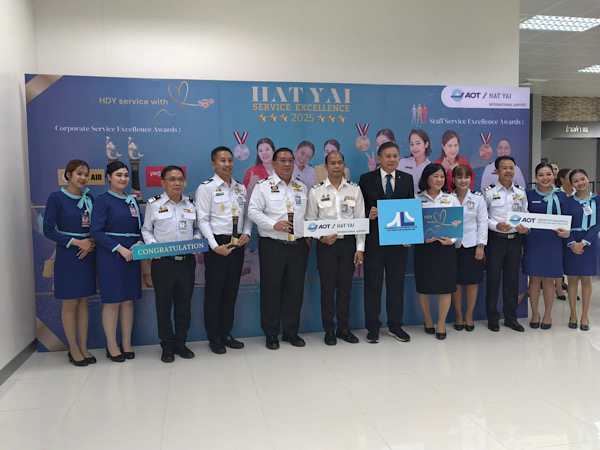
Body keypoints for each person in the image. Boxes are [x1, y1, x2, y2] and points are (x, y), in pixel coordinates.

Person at [248, 147, 310, 349]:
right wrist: (273, 224)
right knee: (271, 291)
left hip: (298, 246)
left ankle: (291, 332)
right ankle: (271, 333)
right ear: (273, 164)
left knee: (295, 291)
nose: (287, 164)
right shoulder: (263, 186)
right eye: (282, 160)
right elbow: (253, 211)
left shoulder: (301, 187)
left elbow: (307, 215)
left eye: (290, 160)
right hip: (273, 245)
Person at [196, 147, 252, 354]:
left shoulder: (240, 188)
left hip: (237, 243)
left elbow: (248, 216)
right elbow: (202, 220)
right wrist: (213, 246)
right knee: (214, 292)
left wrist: (247, 233)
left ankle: (226, 332)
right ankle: (214, 337)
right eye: (222, 160)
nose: (227, 164)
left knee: (230, 291)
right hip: (217, 244)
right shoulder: (206, 188)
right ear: (214, 164)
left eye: (230, 160)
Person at [305, 151, 365, 345]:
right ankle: (329, 330)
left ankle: (343, 328)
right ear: (326, 167)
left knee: (345, 289)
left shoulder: (355, 190)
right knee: (328, 289)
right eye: (332, 163)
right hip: (326, 246)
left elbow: (360, 221)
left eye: (340, 162)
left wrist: (360, 248)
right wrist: (321, 237)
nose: (336, 166)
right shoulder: (316, 191)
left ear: (344, 165)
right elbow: (310, 221)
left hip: (348, 245)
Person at [142, 165, 200, 363]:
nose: (177, 183)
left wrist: (196, 239)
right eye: (172, 180)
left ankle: (181, 343)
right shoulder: (154, 204)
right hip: (163, 263)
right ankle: (167, 345)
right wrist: (152, 245)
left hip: (186, 262)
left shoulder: (191, 203)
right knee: (163, 305)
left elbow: (198, 229)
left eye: (180, 179)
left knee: (184, 305)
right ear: (163, 183)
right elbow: (146, 230)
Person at [358, 141, 414, 344]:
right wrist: (369, 213)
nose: (392, 160)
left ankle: (395, 326)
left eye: (395, 156)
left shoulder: (407, 179)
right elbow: (359, 208)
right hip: (374, 242)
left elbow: (410, 209)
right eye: (388, 156)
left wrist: (409, 235)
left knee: (396, 285)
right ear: (379, 158)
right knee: (372, 286)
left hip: (398, 243)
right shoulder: (366, 179)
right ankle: (372, 327)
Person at [43, 160, 97, 366]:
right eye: (79, 173)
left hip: (87, 253)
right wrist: (77, 242)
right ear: (68, 175)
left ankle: (83, 347)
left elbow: (96, 226)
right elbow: (49, 230)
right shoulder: (56, 198)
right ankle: (73, 349)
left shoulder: (89, 198)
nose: (83, 178)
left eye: (86, 174)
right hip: (68, 255)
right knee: (70, 302)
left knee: (84, 301)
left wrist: (90, 242)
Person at [91, 161, 142, 362]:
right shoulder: (102, 200)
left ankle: (126, 343)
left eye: (126, 175)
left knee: (128, 301)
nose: (123, 178)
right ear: (109, 177)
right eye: (118, 175)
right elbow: (96, 231)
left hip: (132, 254)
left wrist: (139, 243)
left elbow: (141, 228)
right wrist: (119, 248)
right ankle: (111, 346)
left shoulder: (132, 201)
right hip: (111, 255)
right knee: (112, 301)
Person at [483, 156, 529, 332]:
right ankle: (492, 318)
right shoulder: (489, 192)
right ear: (496, 171)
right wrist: (496, 226)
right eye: (504, 168)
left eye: (511, 168)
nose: (508, 171)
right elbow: (483, 217)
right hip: (496, 240)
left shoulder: (520, 192)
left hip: (515, 241)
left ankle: (511, 318)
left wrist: (526, 228)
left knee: (512, 281)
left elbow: (526, 213)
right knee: (493, 280)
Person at [414, 164, 460, 340]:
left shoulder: (451, 198)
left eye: (442, 176)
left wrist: (452, 240)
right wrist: (421, 237)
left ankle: (441, 323)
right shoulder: (416, 198)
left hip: (445, 249)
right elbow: (411, 224)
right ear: (426, 178)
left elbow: (458, 223)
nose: (439, 180)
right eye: (435, 176)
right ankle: (427, 319)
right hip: (424, 249)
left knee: (445, 287)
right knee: (423, 287)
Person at [522, 163, 569, 330]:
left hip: (554, 243)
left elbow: (568, 219)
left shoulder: (562, 196)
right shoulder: (528, 195)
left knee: (549, 279)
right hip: (533, 242)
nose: (545, 178)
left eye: (548, 174)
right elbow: (522, 217)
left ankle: (548, 314)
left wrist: (567, 232)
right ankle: (535, 314)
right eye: (541, 175)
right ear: (536, 177)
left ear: (554, 175)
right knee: (534, 279)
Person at [451, 165, 487, 332]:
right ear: (453, 179)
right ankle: (459, 315)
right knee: (456, 282)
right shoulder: (448, 198)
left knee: (472, 283)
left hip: (473, 246)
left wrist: (481, 245)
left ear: (471, 179)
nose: (463, 180)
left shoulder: (478, 199)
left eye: (466, 177)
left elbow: (483, 222)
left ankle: (469, 315)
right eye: (459, 177)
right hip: (452, 246)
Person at [563, 169, 600, 331]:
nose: (580, 183)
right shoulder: (568, 201)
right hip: (571, 242)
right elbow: (564, 223)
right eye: (576, 181)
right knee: (572, 280)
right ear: (571, 184)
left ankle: (585, 316)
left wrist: (584, 243)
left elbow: (597, 224)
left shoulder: (597, 200)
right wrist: (572, 242)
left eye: (582, 179)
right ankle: (573, 314)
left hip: (590, 242)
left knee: (586, 279)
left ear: (588, 179)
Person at [554, 167, 574, 300]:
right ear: (562, 179)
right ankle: (559, 289)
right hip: (558, 232)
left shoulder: (578, 193)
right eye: (570, 176)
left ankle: (572, 290)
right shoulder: (556, 194)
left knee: (572, 262)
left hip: (574, 232)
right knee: (558, 261)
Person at [398, 129, 432, 194]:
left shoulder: (430, 167)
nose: (414, 147)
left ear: (426, 144)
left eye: (418, 143)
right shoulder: (402, 162)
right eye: (412, 144)